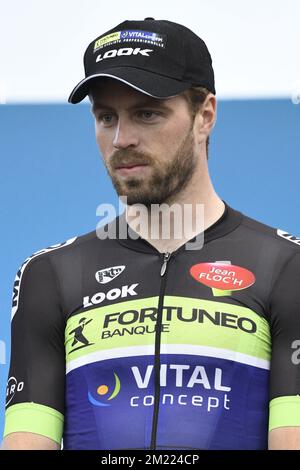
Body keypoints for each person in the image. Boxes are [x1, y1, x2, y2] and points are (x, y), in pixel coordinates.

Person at [3, 18, 300, 451]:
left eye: (146, 113)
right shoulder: (48, 275)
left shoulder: (287, 266)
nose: (122, 138)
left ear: (205, 116)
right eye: (106, 117)